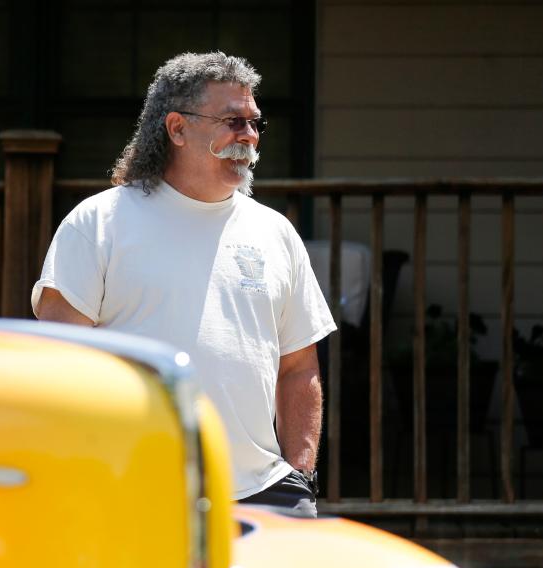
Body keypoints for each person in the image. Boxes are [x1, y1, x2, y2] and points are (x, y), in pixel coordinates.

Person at [32, 52, 335, 516]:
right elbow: (59, 367)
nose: (249, 137)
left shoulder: (275, 232)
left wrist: (301, 477)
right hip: (132, 494)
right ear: (176, 129)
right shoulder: (98, 223)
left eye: (256, 124)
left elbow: (298, 368)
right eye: (233, 121)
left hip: (265, 498)